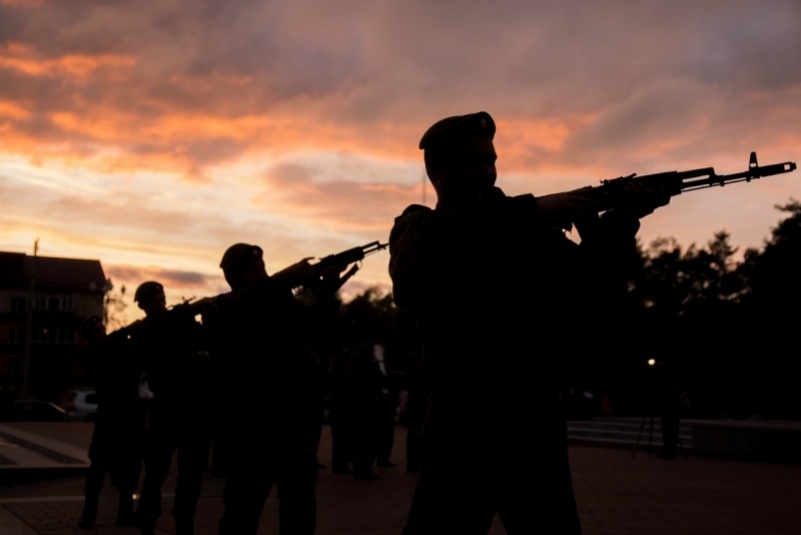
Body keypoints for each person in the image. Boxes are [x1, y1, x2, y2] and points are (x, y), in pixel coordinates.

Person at [389, 111, 674, 534]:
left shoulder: (524, 231)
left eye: (492, 160)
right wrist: (530, 210)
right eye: (474, 161)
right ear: (438, 170)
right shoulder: (419, 227)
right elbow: (421, 268)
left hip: (533, 426)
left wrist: (618, 226)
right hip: (461, 427)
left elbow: (590, 296)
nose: (488, 172)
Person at [205, 243, 344, 535]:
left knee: (299, 513)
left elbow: (319, 330)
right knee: (241, 514)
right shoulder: (222, 309)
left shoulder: (277, 300)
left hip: (293, 426)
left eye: (263, 268)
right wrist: (281, 280)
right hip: (251, 429)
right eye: (252, 270)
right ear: (232, 276)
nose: (261, 273)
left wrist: (325, 290)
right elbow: (237, 317)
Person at [132, 281, 208, 535]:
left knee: (190, 473)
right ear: (143, 306)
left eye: (163, 300)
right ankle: (148, 520)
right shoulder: (144, 332)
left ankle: (184, 521)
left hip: (191, 408)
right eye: (156, 302)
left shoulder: (179, 322)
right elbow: (144, 357)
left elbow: (202, 341)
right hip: (165, 409)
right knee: (156, 472)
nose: (161, 305)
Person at [77, 316, 143, 529]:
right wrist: (126, 331)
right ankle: (89, 515)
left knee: (128, 470)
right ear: (89, 336)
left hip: (128, 416)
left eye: (102, 329)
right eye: (97, 331)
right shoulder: (92, 354)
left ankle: (125, 513)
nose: (102, 333)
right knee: (98, 469)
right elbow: (102, 359)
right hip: (108, 418)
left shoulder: (114, 347)